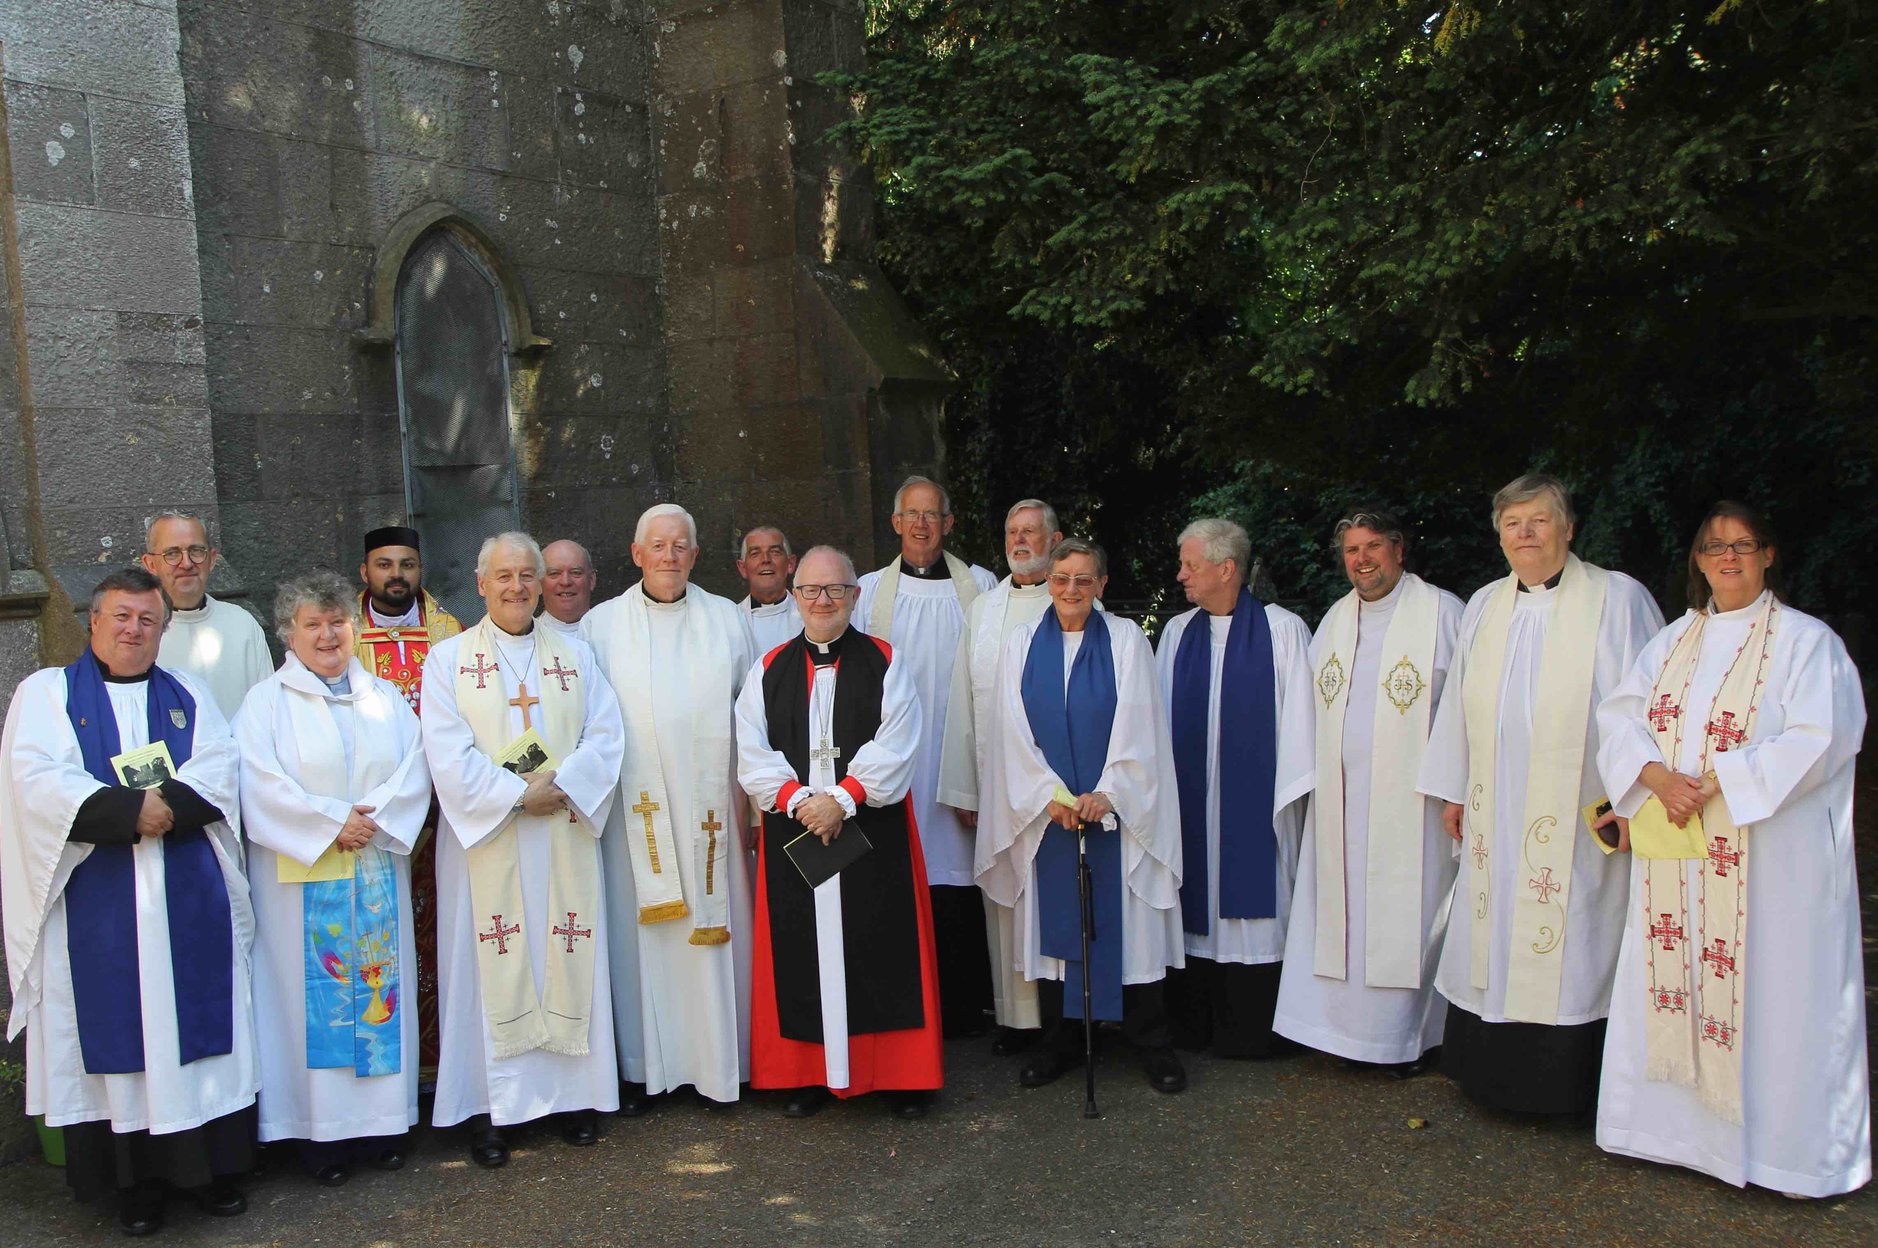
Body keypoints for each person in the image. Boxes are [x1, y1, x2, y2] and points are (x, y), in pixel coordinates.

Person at [1594, 502, 1869, 1197]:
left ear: (1769, 555)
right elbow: (1621, 718)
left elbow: (1823, 737)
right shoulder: (1671, 642)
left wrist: (1717, 783)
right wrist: (1656, 778)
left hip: (1768, 865)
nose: (1728, 558)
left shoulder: (1810, 645)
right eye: (1714, 547)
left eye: (1743, 546)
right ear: (1697, 559)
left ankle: (1782, 1157)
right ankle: (1665, 1134)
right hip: (1678, 854)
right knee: (1672, 974)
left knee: (1769, 989)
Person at [0, 566, 254, 1235]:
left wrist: (156, 809)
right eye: (121, 616)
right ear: (94, 620)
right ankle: (134, 1186)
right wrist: (127, 810)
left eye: (147, 620)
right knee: (123, 1038)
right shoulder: (47, 694)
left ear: (162, 629)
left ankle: (212, 1173)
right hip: (98, 897)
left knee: (195, 1029)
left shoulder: (189, 694)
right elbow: (35, 782)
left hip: (185, 889)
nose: (134, 630)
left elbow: (222, 769)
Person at [1416, 473, 1662, 1116]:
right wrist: (1453, 790)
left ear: (1569, 528)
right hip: (1495, 802)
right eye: (1512, 523)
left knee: (1576, 934)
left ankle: (1569, 1088)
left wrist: (1637, 800)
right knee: (1494, 929)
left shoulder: (1618, 599)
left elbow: (1651, 708)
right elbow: (1459, 707)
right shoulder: (1485, 605)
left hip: (1586, 807)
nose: (1525, 534)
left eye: (1539, 520)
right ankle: (1491, 1076)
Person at [420, 532, 626, 1166]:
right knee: (490, 967)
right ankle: (490, 1109)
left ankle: (573, 1099)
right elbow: (445, 754)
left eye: (526, 576)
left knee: (565, 949)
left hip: (560, 829)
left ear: (540, 584)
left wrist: (558, 786)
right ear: (480, 585)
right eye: (502, 576)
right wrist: (514, 796)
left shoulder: (575, 654)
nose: (516, 587)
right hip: (488, 842)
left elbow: (606, 736)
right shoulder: (448, 661)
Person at [233, 572, 431, 1186]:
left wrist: (370, 822)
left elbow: (416, 766)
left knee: (377, 993)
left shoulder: (384, 697)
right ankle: (319, 1138)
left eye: (337, 621)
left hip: (373, 868)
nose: (327, 634)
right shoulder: (265, 703)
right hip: (303, 882)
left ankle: (382, 1127)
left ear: (354, 627)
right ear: (288, 634)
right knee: (310, 1001)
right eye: (312, 624)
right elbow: (257, 783)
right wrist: (328, 822)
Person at [735, 545, 942, 1119]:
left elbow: (897, 742)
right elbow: (752, 752)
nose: (822, 601)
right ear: (795, 597)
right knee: (800, 949)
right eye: (810, 590)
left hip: (870, 830)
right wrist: (802, 801)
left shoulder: (886, 661)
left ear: (855, 595)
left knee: (878, 940)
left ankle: (897, 1077)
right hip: (797, 829)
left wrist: (844, 799)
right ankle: (805, 1075)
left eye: (835, 590)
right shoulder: (768, 669)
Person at [979, 539, 1187, 1093]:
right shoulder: (1021, 644)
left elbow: (1141, 726)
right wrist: (1049, 794)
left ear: (1102, 584)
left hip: (1114, 817)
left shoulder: (1124, 641)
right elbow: (1010, 732)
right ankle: (1061, 1042)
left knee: (1132, 926)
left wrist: (1109, 792)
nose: (1071, 589)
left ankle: (1151, 1041)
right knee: (1057, 927)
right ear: (1049, 580)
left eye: (1083, 579)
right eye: (1062, 577)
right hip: (1051, 818)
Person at [1273, 512, 1463, 1074]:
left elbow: (1465, 707)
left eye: (1373, 546)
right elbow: (1306, 710)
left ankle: (1404, 1040)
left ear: (1398, 550)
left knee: (1407, 918)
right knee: (1344, 920)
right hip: (1340, 804)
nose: (1362, 559)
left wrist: (1455, 786)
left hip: (1416, 807)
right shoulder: (1334, 620)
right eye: (1352, 549)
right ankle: (1340, 1032)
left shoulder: (1443, 613)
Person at [584, 505, 757, 1113]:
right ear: (636, 555)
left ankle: (720, 1065)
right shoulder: (600, 626)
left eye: (680, 545)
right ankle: (643, 1069)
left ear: (695, 554)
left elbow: (752, 712)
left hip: (714, 813)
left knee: (712, 934)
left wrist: (753, 804)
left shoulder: (726, 621)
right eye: (657, 545)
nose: (669, 556)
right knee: (644, 944)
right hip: (638, 816)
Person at [1155, 519, 1316, 1059]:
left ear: (1226, 569)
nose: (1181, 575)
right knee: (1197, 904)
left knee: (1256, 908)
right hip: (1192, 805)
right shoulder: (1178, 635)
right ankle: (1194, 1025)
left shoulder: (1283, 630)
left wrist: (1287, 801)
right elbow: (1155, 727)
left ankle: (1253, 1030)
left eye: (1190, 565)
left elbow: (1301, 724)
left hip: (1258, 812)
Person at [855, 476, 999, 1038]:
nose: (920, 525)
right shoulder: (867, 591)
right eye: (911, 515)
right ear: (895, 524)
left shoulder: (980, 587)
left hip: (960, 759)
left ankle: (965, 1008)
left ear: (949, 524)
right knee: (902, 873)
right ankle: (908, 1005)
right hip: (896, 764)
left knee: (959, 879)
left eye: (932, 515)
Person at [937, 498, 1066, 1054]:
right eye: (1012, 531)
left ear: (1055, 540)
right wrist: (966, 786)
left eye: (1031, 532)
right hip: (996, 788)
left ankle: (1064, 1020)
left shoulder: (1071, 603)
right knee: (1006, 901)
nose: (1020, 541)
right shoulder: (983, 610)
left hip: (1056, 792)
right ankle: (1017, 1019)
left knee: (1054, 900)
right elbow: (964, 704)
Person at [353, 524, 463, 1077]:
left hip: (444, 812)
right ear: (365, 572)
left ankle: (447, 1065)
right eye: (384, 565)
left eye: (407, 565)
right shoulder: (340, 636)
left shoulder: (451, 635)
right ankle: (388, 1074)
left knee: (444, 934)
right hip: (376, 819)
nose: (396, 575)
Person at [141, 511, 272, 720]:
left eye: (196, 551)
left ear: (211, 559)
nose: (186, 563)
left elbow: (270, 711)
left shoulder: (243, 625)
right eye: (172, 553)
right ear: (150, 564)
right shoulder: (137, 634)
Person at [738, 525, 802, 654]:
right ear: (743, 568)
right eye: (755, 553)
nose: (765, 560)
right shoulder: (732, 621)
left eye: (775, 552)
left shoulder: (809, 618)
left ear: (790, 564)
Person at [540, 539, 598, 637]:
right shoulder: (526, 638)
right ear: (539, 583)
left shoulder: (615, 632)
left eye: (575, 573)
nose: (565, 582)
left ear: (591, 580)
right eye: (554, 573)